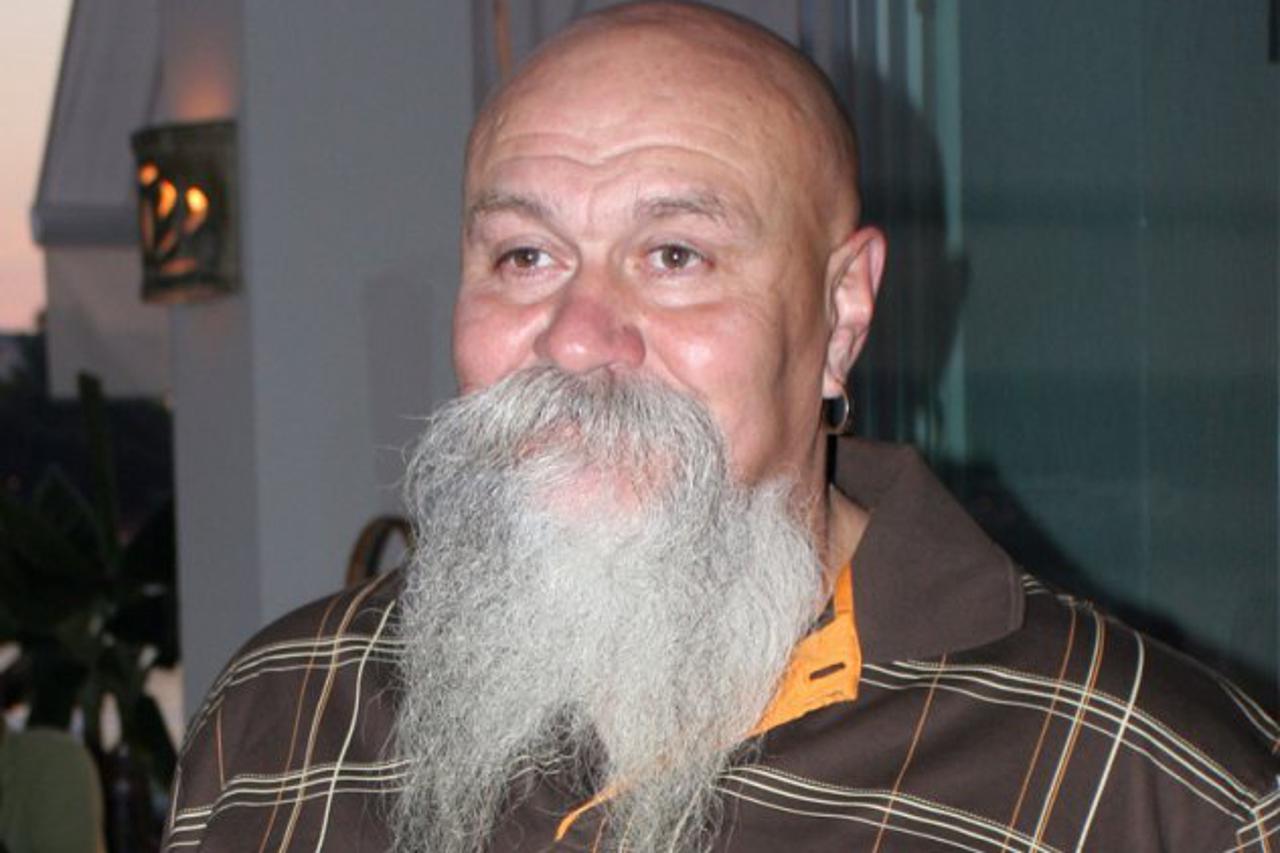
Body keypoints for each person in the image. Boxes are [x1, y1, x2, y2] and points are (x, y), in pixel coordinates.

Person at [161, 3, 1278, 851]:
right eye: (525, 255)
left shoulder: (1157, 787)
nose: (577, 338)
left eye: (675, 256)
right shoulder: (281, 713)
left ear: (841, 313)